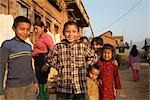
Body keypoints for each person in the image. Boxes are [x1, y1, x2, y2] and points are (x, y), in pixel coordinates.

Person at [44, 21, 97, 100]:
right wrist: (58, 66)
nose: (71, 34)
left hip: (79, 86)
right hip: (63, 86)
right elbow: (49, 58)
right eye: (67, 31)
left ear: (78, 34)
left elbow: (94, 57)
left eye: (74, 32)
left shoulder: (82, 46)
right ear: (63, 33)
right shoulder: (58, 47)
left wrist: (85, 65)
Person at [0, 16, 39, 100]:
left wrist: (35, 82)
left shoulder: (28, 46)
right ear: (14, 28)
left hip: (30, 86)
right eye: (22, 29)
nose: (25, 32)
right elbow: (1, 67)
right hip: (14, 89)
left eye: (28, 30)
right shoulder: (7, 45)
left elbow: (30, 67)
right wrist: (0, 91)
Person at [32, 21, 54, 100]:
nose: (35, 30)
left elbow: (53, 51)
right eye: (34, 29)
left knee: (42, 83)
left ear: (43, 28)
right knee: (39, 82)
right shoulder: (39, 37)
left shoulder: (47, 37)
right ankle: (41, 98)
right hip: (38, 61)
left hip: (43, 62)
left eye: (37, 28)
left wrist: (47, 64)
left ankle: (43, 98)